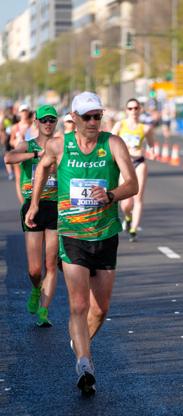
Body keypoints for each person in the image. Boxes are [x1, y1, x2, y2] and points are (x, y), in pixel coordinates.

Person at [25, 91, 138, 396]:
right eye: (86, 116)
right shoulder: (59, 145)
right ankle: (84, 362)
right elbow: (42, 168)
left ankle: (80, 341)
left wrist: (112, 195)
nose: (92, 122)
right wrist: (34, 203)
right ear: (73, 118)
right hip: (72, 235)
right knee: (79, 304)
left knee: (100, 310)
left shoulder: (113, 143)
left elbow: (132, 183)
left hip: (105, 234)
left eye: (97, 116)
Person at [4, 105, 59, 327]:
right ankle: (37, 288)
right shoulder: (29, 144)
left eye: (51, 120)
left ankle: (44, 311)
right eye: (44, 119)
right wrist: (37, 154)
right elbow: (8, 157)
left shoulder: (62, 145)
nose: (48, 123)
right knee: (35, 269)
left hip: (55, 206)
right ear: (37, 122)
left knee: (51, 264)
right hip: (33, 207)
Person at [112, 98, 154, 242]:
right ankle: (128, 216)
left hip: (139, 162)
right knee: (125, 202)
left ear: (140, 109)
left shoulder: (145, 128)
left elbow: (151, 144)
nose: (133, 111)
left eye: (136, 108)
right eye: (130, 108)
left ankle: (133, 229)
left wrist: (151, 151)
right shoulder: (120, 125)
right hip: (124, 163)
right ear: (126, 110)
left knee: (138, 197)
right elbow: (109, 141)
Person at [10, 104, 34, 204]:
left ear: (28, 112)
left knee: (30, 178)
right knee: (19, 179)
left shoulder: (32, 125)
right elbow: (11, 141)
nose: (24, 113)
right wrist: (16, 142)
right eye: (22, 111)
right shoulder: (15, 127)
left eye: (25, 111)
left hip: (29, 155)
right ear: (19, 113)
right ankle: (23, 203)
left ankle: (31, 200)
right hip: (18, 155)